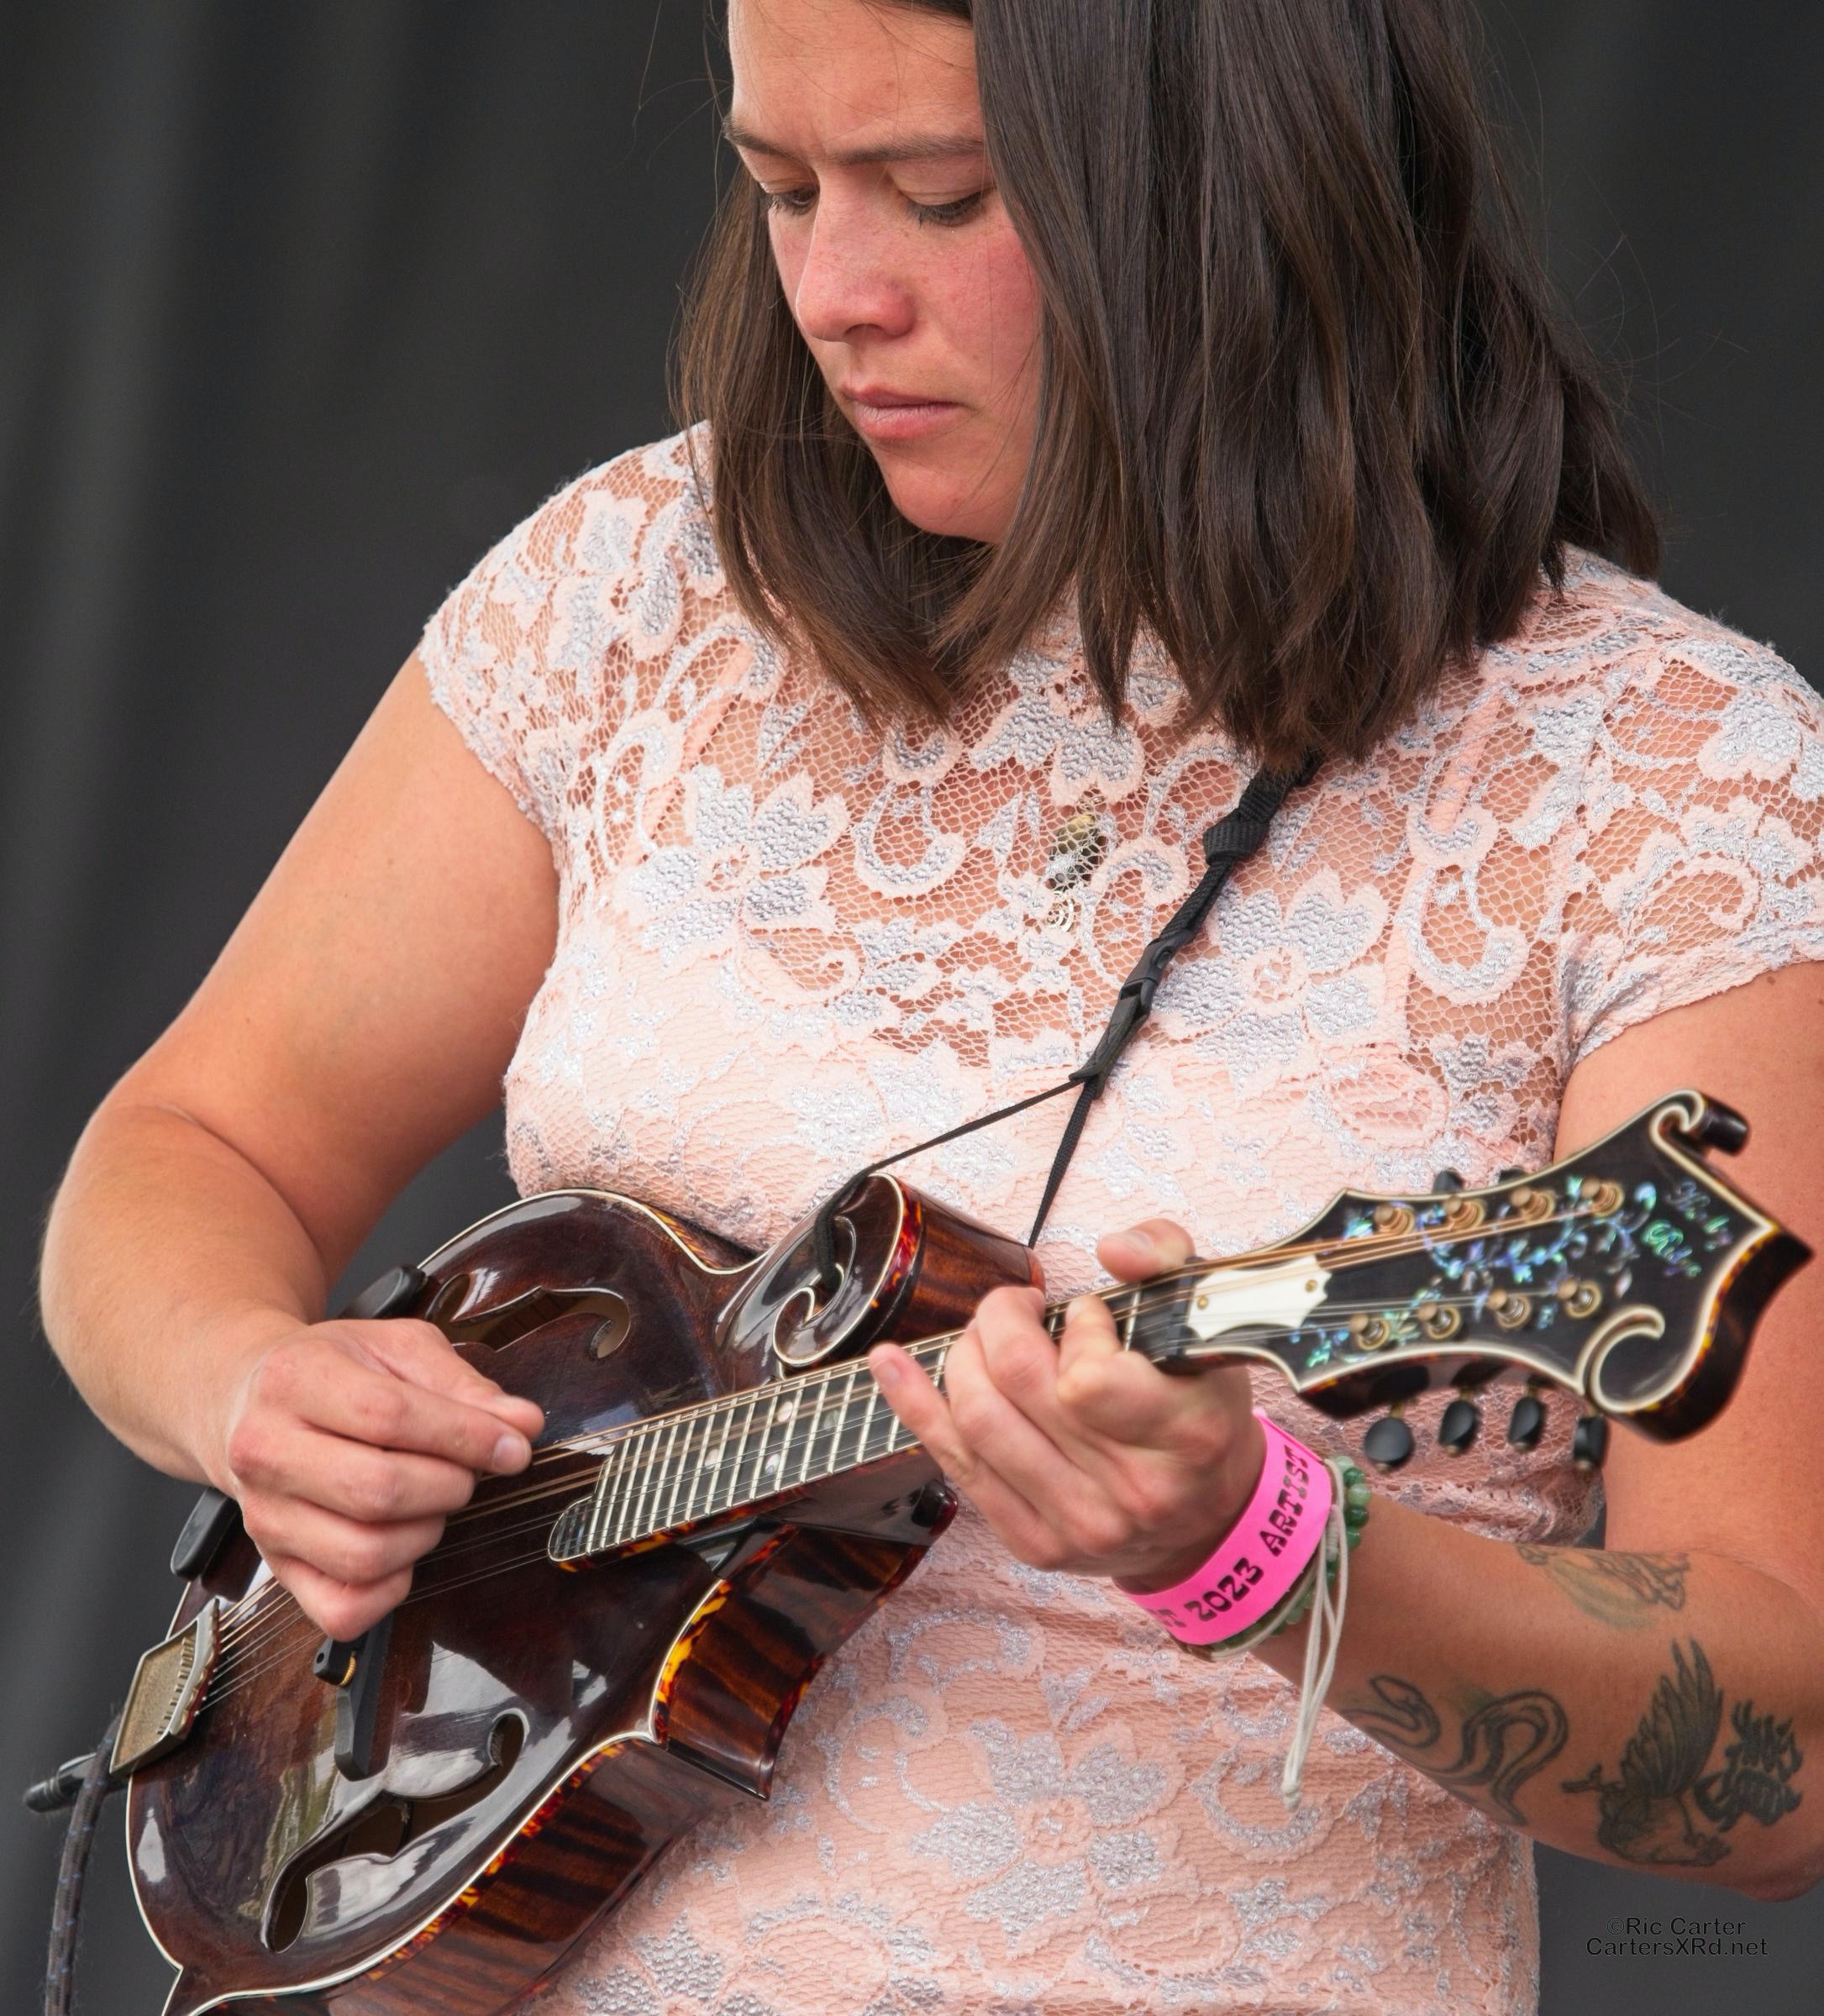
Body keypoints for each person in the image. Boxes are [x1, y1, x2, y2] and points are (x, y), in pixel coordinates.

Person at [39, 0, 1824, 2010]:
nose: (833, 297)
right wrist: (246, 1387)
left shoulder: (1672, 785)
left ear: (1236, 191)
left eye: (943, 193)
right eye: (782, 186)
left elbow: (1781, 1765)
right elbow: (193, 1146)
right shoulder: (640, 594)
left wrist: (1262, 1546)